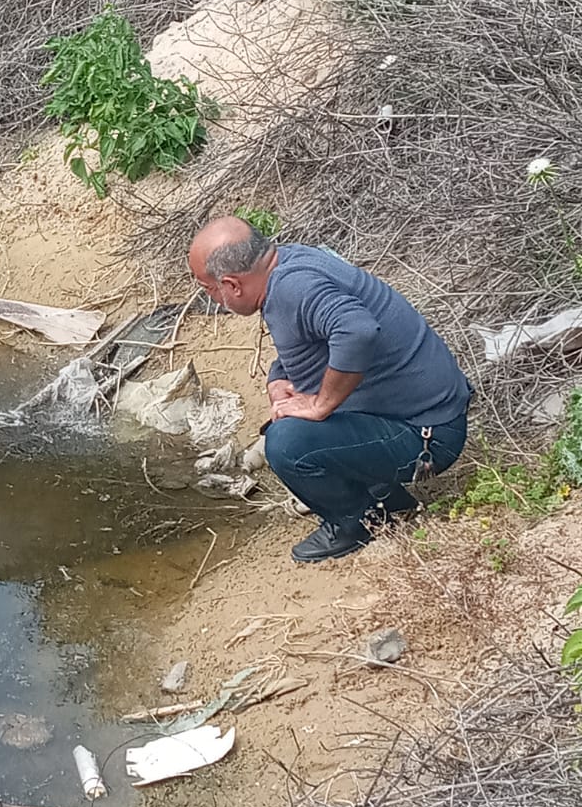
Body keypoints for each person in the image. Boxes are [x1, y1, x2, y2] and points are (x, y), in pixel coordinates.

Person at [188, 216, 471, 564]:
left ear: (232, 284)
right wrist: (278, 379)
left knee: (288, 443)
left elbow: (357, 331)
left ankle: (358, 522)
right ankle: (389, 500)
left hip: (429, 437)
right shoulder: (290, 264)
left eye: (209, 288)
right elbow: (313, 339)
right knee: (293, 425)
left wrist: (321, 403)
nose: (212, 298)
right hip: (420, 417)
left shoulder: (292, 290)